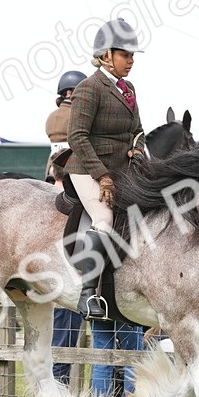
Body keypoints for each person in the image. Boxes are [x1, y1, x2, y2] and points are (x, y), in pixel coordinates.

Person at [66, 17, 145, 320]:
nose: (131, 61)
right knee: (104, 217)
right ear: (106, 55)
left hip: (122, 170)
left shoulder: (129, 89)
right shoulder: (89, 88)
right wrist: (102, 176)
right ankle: (88, 295)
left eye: (132, 56)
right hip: (87, 168)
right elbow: (77, 136)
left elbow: (138, 129)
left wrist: (137, 149)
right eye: (126, 55)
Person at [44, 69, 88, 386]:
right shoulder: (69, 118)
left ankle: (59, 377)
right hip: (70, 192)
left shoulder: (55, 117)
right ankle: (59, 377)